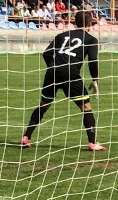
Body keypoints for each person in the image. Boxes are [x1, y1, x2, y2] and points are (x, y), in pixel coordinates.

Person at [21, 10, 106, 151]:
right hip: (71, 74)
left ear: (74, 22)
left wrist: (54, 68)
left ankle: (26, 137)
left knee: (43, 105)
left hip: (53, 72)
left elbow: (47, 54)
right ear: (90, 23)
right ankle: (92, 143)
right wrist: (95, 78)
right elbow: (93, 60)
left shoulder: (61, 35)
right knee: (85, 107)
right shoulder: (91, 39)